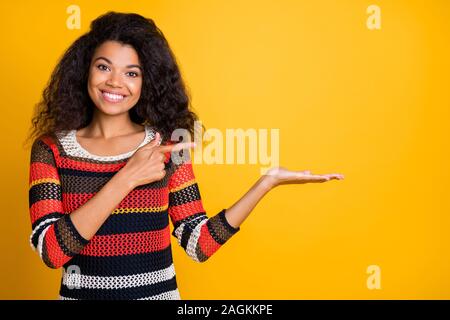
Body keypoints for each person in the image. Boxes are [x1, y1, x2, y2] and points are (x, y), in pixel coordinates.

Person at [26, 11, 344, 300]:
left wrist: (266, 183)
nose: (115, 82)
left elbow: (199, 244)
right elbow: (52, 252)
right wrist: (126, 177)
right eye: (104, 66)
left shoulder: (168, 147)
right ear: (85, 71)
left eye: (132, 73)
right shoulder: (52, 149)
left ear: (146, 81)